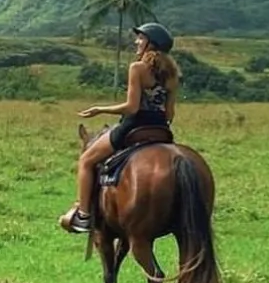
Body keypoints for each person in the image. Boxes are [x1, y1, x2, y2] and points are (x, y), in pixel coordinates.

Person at [59, 22, 179, 234]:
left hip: (134, 126)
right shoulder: (172, 74)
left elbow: (132, 107)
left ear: (151, 44)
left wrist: (100, 109)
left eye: (141, 38)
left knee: (86, 160)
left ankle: (84, 215)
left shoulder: (137, 68)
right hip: (161, 129)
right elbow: (170, 113)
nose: (136, 41)